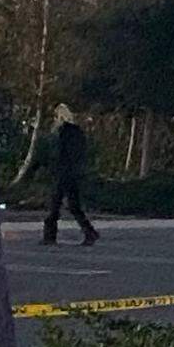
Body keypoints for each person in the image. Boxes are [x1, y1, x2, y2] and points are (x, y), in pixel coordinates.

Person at [34, 105, 99, 246]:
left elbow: (55, 154)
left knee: (54, 206)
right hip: (75, 173)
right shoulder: (77, 133)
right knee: (74, 206)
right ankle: (89, 232)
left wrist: (47, 166)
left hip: (62, 173)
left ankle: (50, 236)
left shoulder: (60, 133)